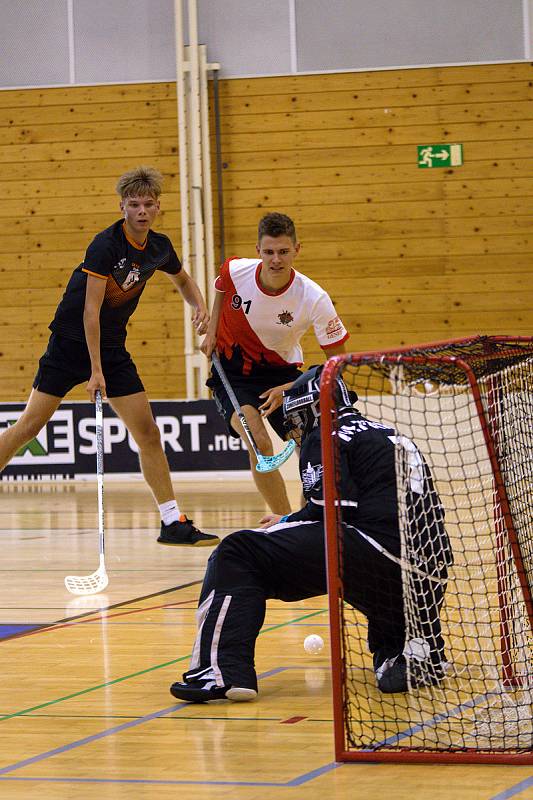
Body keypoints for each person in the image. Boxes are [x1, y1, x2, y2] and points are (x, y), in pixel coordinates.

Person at [169, 365, 453, 703]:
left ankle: (217, 672)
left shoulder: (326, 434)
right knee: (390, 670)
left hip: (375, 556)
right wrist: (292, 519)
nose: (295, 428)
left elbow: (330, 513)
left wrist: (286, 522)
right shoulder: (387, 432)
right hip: (425, 577)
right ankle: (421, 649)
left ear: (314, 407)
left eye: (298, 417)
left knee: (238, 551)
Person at [0, 166, 219, 548]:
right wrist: (95, 371)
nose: (141, 211)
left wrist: (198, 306)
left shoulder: (159, 247)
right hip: (70, 346)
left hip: (113, 347)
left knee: (148, 432)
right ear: (122, 207)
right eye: (134, 204)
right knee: (29, 427)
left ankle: (172, 521)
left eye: (148, 204)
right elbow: (90, 311)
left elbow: (182, 279)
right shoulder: (105, 246)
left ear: (157, 207)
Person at [200, 212, 349, 515]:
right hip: (233, 373)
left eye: (283, 251)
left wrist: (289, 387)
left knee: (313, 448)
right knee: (259, 444)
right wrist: (213, 329)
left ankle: (309, 519)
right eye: (268, 252)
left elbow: (339, 363)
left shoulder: (314, 298)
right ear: (258, 251)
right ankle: (283, 521)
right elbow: (220, 285)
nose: (276, 260)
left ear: (297, 249)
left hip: (283, 375)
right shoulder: (236, 271)